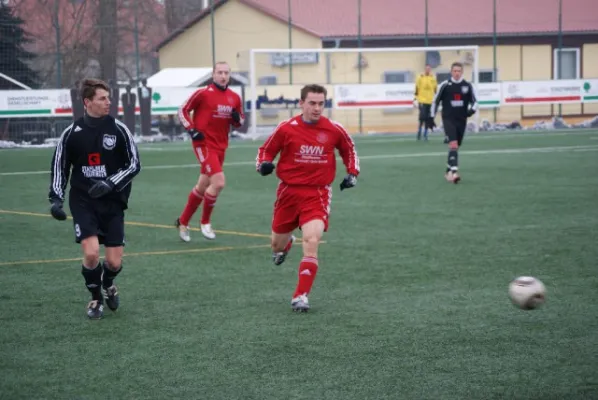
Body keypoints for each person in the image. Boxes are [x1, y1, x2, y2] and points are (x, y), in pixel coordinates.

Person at [255, 84, 360, 312]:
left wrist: (352, 173)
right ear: (301, 103)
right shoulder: (286, 128)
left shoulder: (333, 129)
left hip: (317, 193)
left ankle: (300, 296)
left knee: (312, 240)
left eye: (321, 104)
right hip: (288, 193)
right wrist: (263, 164)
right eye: (312, 103)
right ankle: (285, 245)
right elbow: (266, 150)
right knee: (276, 245)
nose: (317, 108)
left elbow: (349, 150)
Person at [48, 78, 141, 319]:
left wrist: (110, 183)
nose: (108, 102)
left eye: (109, 98)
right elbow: (60, 167)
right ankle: (96, 298)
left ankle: (108, 283)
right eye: (102, 98)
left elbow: (134, 165)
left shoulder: (119, 129)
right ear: (87, 102)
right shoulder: (71, 133)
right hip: (83, 201)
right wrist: (56, 199)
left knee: (114, 263)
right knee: (90, 254)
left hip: (112, 202)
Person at [175, 62, 245, 241]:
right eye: (219, 72)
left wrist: (237, 119)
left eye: (226, 73)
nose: (223, 76)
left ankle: (183, 221)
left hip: (221, 146)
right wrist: (191, 129)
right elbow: (182, 110)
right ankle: (205, 222)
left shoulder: (234, 97)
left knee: (202, 186)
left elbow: (240, 122)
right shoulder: (203, 93)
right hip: (203, 144)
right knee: (219, 183)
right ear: (213, 75)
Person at [431, 62, 478, 183]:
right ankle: (454, 172)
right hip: (448, 120)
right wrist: (431, 117)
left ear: (462, 72)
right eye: (454, 71)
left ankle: (448, 172)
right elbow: (435, 101)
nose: (457, 73)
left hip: (461, 121)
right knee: (453, 145)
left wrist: (470, 112)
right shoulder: (445, 85)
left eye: (459, 71)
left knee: (455, 147)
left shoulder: (467, 86)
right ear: (451, 72)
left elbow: (475, 102)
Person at [413, 64, 437, 141]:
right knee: (422, 117)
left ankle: (425, 134)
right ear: (424, 69)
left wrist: (435, 98)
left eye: (429, 69)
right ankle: (419, 132)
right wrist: (415, 99)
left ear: (430, 69)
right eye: (426, 69)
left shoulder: (433, 78)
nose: (428, 70)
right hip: (422, 100)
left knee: (427, 118)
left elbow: (435, 89)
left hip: (429, 101)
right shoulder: (420, 77)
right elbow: (417, 88)